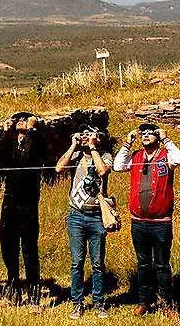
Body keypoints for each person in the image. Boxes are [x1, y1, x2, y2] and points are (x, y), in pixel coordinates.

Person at [113, 121, 180, 316]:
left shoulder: (165, 156)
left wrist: (166, 139)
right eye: (142, 132)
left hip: (161, 223)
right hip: (138, 222)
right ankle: (144, 301)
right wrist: (127, 144)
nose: (145, 135)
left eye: (150, 132)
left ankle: (167, 303)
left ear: (157, 136)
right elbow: (117, 166)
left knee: (162, 265)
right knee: (143, 264)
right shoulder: (136, 156)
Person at [56, 124, 112, 319]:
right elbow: (59, 168)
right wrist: (73, 146)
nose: (85, 137)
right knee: (77, 262)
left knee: (97, 263)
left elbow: (103, 171)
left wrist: (94, 147)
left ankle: (98, 303)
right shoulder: (76, 156)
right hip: (76, 216)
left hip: (97, 216)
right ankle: (77, 302)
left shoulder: (105, 155)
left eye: (90, 134)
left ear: (98, 137)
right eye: (83, 134)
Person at [0, 111, 45, 302]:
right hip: (10, 202)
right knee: (9, 249)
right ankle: (13, 288)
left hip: (29, 204)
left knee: (30, 251)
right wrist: (6, 132)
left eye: (25, 119)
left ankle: (33, 295)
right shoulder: (10, 143)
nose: (20, 121)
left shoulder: (37, 140)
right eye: (18, 119)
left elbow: (34, 155)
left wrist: (32, 130)